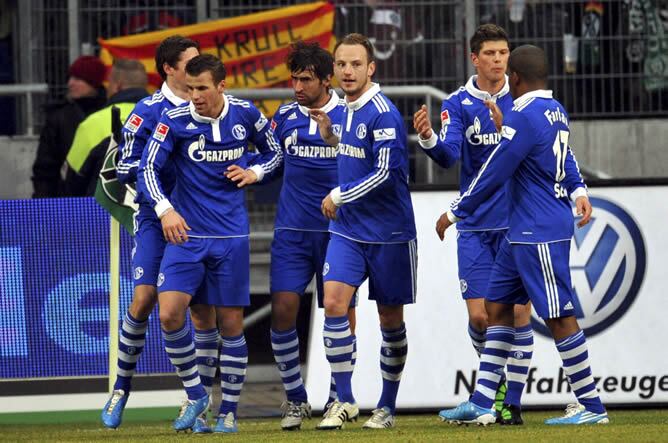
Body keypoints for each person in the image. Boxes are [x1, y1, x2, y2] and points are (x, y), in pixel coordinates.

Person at [436, 44, 608, 426]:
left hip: (538, 231)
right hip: (523, 232)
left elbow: (495, 170)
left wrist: (455, 210)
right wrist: (579, 190)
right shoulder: (555, 110)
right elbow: (562, 159)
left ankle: (592, 406)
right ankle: (483, 402)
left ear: (514, 78)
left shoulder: (524, 115)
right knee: (497, 308)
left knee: (558, 315)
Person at [137, 53, 282, 433]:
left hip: (231, 237)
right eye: (189, 89)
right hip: (186, 235)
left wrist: (255, 171)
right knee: (169, 313)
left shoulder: (247, 115)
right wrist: (166, 209)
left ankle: (229, 412)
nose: (195, 96)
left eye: (202, 88)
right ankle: (197, 394)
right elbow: (147, 168)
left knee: (230, 325)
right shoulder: (173, 120)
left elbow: (275, 152)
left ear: (222, 86)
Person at [412, 24, 533, 424]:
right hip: (477, 225)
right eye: (492, 53)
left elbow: (534, 153)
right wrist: (429, 138)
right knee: (480, 318)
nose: (499, 60)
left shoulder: (523, 101)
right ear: (474, 58)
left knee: (517, 315)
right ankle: (494, 388)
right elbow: (449, 156)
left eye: (504, 53)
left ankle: (510, 404)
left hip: (517, 222)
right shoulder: (458, 103)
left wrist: (507, 131)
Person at [100, 36, 218, 434]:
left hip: (201, 220)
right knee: (145, 297)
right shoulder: (147, 111)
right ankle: (120, 388)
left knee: (201, 311)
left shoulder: (207, 106)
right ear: (169, 68)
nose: (198, 67)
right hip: (156, 216)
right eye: (190, 62)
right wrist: (163, 200)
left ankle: (196, 403)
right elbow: (127, 167)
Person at [310, 33, 417, 430]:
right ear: (334, 69)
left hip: (390, 234)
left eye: (356, 64)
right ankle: (346, 398)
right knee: (335, 304)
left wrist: (339, 194)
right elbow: (356, 151)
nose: (348, 71)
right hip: (349, 231)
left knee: (390, 322)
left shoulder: (384, 113)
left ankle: (387, 407)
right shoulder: (345, 110)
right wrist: (331, 137)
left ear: (371, 68)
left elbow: (386, 173)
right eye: (341, 64)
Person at [267, 40, 357, 431]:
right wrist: (251, 171)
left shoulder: (350, 115)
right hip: (292, 232)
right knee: (283, 310)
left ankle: (340, 396)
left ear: (326, 79)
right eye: (294, 79)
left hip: (339, 232)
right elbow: (270, 158)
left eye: (306, 79)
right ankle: (295, 398)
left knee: (340, 315)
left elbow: (367, 161)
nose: (298, 87)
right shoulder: (284, 116)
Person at [64, 58, 148, 196]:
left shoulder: (92, 123)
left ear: (117, 86)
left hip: (101, 212)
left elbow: (72, 180)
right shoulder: (165, 119)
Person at [31, 55, 107, 197]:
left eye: (78, 79)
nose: (70, 83)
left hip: (104, 198)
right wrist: (43, 203)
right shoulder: (58, 117)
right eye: (70, 78)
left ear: (93, 83)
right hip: (66, 200)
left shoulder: (110, 111)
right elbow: (45, 168)